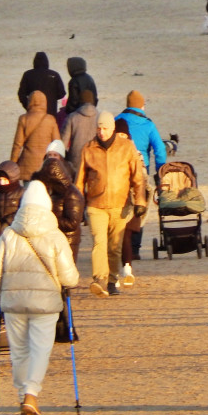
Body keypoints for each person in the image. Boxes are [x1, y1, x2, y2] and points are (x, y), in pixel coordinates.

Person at [0, 180, 79, 415]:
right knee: (40, 349)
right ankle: (31, 394)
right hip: (45, 305)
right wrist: (68, 282)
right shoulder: (55, 235)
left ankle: (22, 396)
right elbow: (69, 277)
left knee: (18, 350)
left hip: (13, 302)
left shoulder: (9, 234)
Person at [76, 111, 147, 297]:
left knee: (114, 246)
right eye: (99, 128)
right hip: (95, 204)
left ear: (113, 128)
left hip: (119, 204)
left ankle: (112, 281)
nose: (102, 132)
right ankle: (99, 279)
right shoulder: (88, 149)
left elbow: (138, 177)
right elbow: (80, 180)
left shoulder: (126, 147)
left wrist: (140, 201)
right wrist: (78, 206)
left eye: (105, 128)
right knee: (99, 243)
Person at [116, 89, 166, 273]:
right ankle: (135, 249)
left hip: (119, 170)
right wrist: (160, 172)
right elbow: (160, 150)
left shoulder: (117, 121)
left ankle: (119, 244)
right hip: (140, 170)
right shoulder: (148, 124)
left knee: (121, 206)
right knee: (140, 205)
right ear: (142, 106)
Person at [33, 150, 86, 263]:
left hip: (68, 239)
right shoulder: (54, 192)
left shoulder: (72, 194)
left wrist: (50, 219)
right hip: (54, 238)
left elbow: (72, 223)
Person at [11, 90, 62, 181]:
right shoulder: (50, 119)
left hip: (27, 164)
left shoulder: (23, 119)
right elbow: (57, 144)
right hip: (45, 165)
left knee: (28, 192)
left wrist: (12, 163)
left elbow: (17, 145)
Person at [17, 52, 66, 120]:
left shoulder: (27, 75)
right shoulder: (54, 75)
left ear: (34, 62)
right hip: (51, 112)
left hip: (33, 113)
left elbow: (21, 94)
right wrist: (52, 98)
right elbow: (62, 93)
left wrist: (28, 106)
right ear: (47, 62)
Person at [61, 89, 98, 176]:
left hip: (75, 159)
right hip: (95, 158)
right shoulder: (100, 116)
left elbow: (63, 142)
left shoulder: (72, 117)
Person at [0, 160, 24, 232]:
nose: (1, 182)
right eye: (0, 179)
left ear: (12, 178)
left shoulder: (22, 193)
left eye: (4, 180)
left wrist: (7, 222)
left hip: (14, 229)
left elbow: (22, 211)